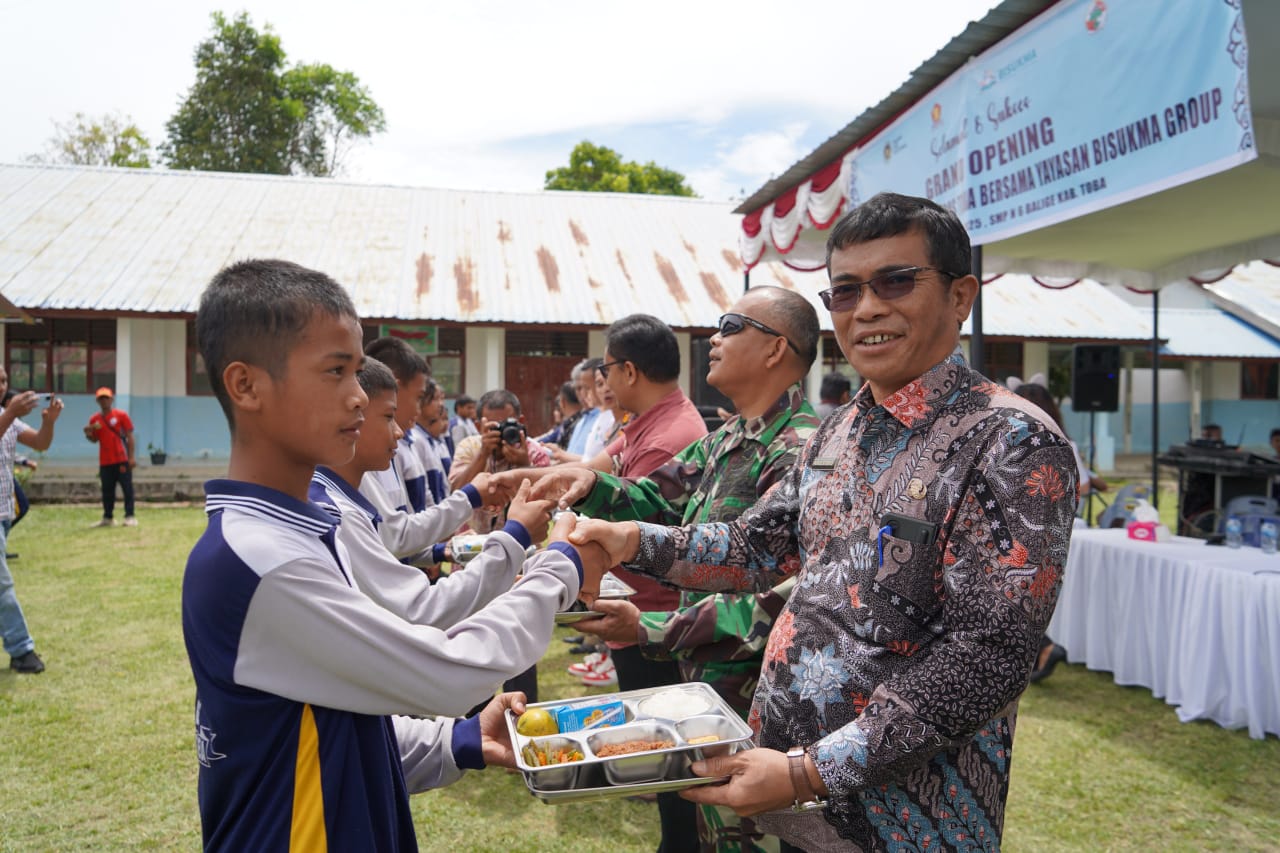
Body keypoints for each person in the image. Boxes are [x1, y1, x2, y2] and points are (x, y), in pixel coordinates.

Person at [570, 193, 1078, 851]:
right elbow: (756, 545)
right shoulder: (838, 431)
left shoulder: (1010, 442)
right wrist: (633, 538)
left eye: (896, 281)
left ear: (961, 296)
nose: (867, 307)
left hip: (899, 822)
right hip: (796, 796)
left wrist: (809, 769)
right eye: (845, 291)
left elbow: (986, 659)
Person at [182, 258, 607, 850]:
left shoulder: (296, 531)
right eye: (336, 372)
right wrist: (561, 563)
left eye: (358, 373)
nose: (359, 398)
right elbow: (448, 670)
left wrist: (460, 742)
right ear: (245, 385)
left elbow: (336, 727)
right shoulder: (262, 560)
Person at [518, 286, 822, 852]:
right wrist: (594, 485)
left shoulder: (801, 450)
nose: (713, 338)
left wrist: (654, 629)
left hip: (756, 709)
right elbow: (660, 498)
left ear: (777, 348)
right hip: (703, 697)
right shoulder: (729, 437)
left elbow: (783, 598)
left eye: (730, 326)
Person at [1011, 378, 1102, 684]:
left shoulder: (1013, 441)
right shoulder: (1062, 441)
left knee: (1019, 598)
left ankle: (1045, 648)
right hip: (1055, 529)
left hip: (1024, 530)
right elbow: (1085, 486)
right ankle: (1043, 649)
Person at [0, 373, 61, 674]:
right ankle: (21, 650)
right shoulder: (7, 415)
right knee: (2, 586)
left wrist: (49, 421)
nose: (1, 385)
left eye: (2, 380)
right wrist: (11, 412)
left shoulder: (6, 417)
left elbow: (40, 443)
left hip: (2, 514)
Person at [83, 387, 137, 527]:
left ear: (111, 399)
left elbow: (130, 437)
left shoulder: (121, 415)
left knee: (127, 488)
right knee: (107, 490)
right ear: (97, 401)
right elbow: (94, 439)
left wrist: (131, 457)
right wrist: (88, 434)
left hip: (121, 459)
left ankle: (130, 516)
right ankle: (108, 517)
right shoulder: (94, 419)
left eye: (106, 398)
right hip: (105, 461)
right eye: (101, 399)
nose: (104, 401)